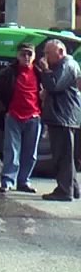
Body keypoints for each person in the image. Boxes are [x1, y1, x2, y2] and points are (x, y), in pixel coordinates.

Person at [0, 41, 42, 193]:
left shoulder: (39, 73)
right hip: (13, 117)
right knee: (11, 152)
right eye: (23, 54)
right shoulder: (6, 73)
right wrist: (4, 111)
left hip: (34, 117)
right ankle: (7, 181)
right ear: (17, 55)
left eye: (29, 54)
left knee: (30, 154)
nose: (26, 57)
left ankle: (24, 181)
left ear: (34, 56)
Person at [36, 39, 81, 202]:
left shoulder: (66, 65)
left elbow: (54, 85)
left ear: (60, 52)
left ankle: (64, 190)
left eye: (48, 53)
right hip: (65, 116)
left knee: (63, 156)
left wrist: (46, 70)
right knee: (67, 156)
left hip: (64, 117)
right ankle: (72, 188)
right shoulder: (67, 65)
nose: (45, 57)